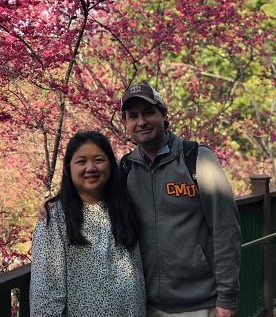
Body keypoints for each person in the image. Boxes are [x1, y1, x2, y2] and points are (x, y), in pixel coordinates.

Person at [38, 85, 241, 317]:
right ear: (126, 123)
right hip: (147, 306)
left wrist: (227, 297)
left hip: (201, 303)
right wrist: (54, 202)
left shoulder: (196, 159)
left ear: (164, 115)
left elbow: (226, 229)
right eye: (132, 116)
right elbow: (88, 181)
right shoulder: (125, 169)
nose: (141, 121)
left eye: (148, 112)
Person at [31, 131, 146, 317]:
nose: (90, 168)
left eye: (99, 160)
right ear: (69, 167)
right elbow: (45, 293)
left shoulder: (123, 209)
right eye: (81, 161)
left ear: (111, 164)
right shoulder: (54, 219)